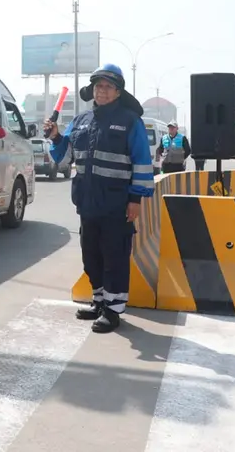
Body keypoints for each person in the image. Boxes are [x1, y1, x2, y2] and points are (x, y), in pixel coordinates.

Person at [44, 63, 155, 333]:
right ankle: (98, 301)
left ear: (118, 92)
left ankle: (113, 310)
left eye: (107, 86)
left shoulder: (131, 121)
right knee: (91, 256)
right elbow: (64, 157)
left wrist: (136, 199)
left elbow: (142, 162)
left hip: (117, 204)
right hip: (87, 202)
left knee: (114, 257)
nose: (101, 91)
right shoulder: (81, 121)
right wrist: (56, 137)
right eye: (98, 86)